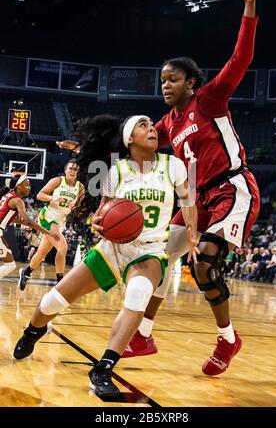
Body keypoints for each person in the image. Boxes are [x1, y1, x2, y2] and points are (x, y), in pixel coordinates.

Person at [122, 0, 265, 375]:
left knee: (203, 263)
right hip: (195, 201)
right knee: (158, 255)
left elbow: (243, 56)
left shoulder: (210, 99)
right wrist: (96, 148)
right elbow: (141, 146)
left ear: (190, 81)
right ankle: (143, 334)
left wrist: (249, 9)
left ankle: (228, 340)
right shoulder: (166, 124)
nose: (165, 85)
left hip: (232, 190)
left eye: (172, 79)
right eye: (162, 81)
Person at [13, 114, 198, 399]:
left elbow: (188, 200)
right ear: (129, 139)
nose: (152, 129)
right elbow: (103, 210)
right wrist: (99, 222)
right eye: (143, 126)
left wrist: (192, 234)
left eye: (151, 125)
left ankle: (103, 369)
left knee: (138, 294)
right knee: (52, 301)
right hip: (113, 248)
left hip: (149, 250)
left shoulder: (173, 165)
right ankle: (32, 332)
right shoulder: (117, 171)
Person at [18, 160, 85, 290]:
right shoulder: (58, 181)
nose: (72, 171)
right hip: (48, 216)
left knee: (42, 252)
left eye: (75, 169)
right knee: (63, 247)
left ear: (78, 172)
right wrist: (53, 198)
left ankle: (26, 273)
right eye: (70, 168)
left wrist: (75, 206)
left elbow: (80, 206)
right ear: (65, 171)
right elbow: (40, 195)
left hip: (60, 220)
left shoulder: (80, 187)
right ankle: (60, 283)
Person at [0, 175, 59, 279]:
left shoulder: (8, 196)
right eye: (27, 185)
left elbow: (14, 219)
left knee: (9, 263)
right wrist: (48, 232)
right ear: (18, 187)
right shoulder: (17, 200)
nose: (29, 188)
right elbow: (29, 221)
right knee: (10, 265)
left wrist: (31, 225)